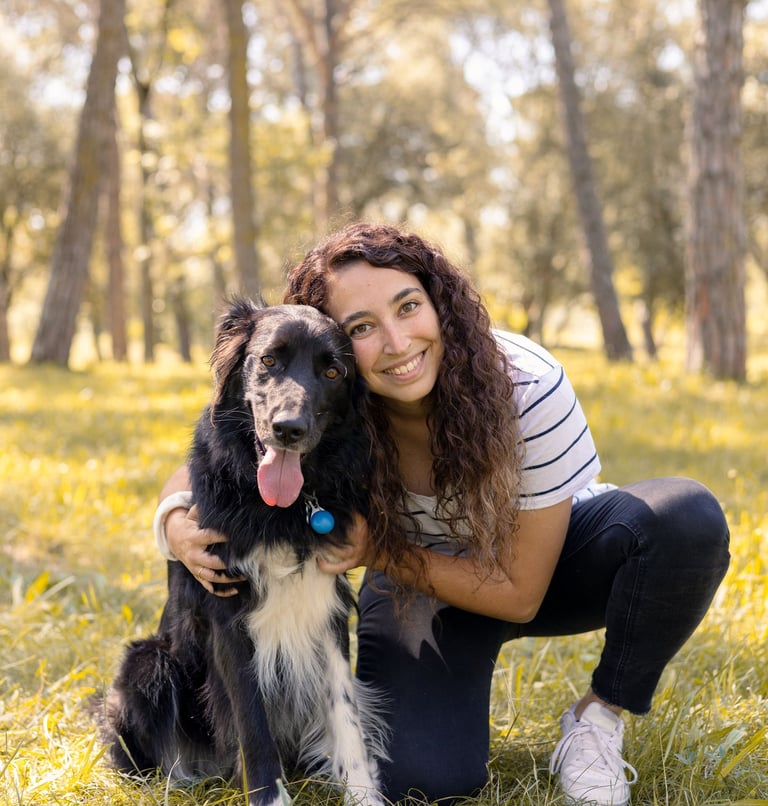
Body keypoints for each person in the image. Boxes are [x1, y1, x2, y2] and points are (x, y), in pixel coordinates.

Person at [155, 222, 730, 806]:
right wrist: (176, 519)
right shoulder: (341, 402)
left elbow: (521, 594)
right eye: (362, 327)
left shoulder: (526, 383)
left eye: (408, 306)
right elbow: (222, 451)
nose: (398, 342)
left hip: (549, 565)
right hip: (420, 591)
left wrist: (377, 551)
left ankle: (597, 719)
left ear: (439, 302)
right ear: (335, 341)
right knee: (420, 780)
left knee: (686, 518)